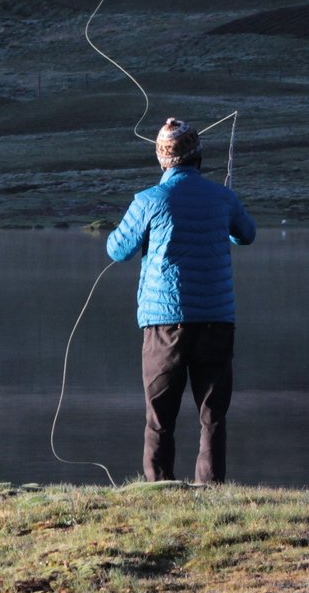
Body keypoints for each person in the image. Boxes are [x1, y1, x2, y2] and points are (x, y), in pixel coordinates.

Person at [106, 117, 257, 485]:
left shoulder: (148, 200)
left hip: (163, 325)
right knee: (213, 416)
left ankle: (159, 489)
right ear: (198, 157)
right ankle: (211, 491)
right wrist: (224, 207)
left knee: (160, 418)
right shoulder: (223, 198)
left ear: (162, 160)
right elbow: (247, 235)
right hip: (216, 323)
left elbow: (117, 250)